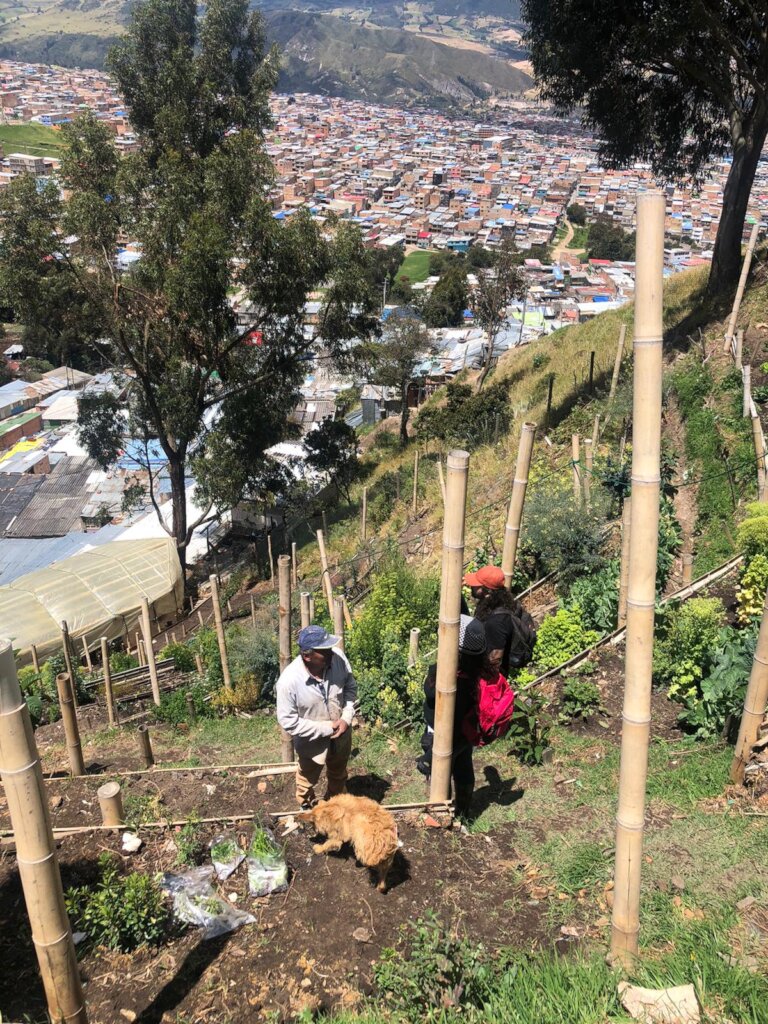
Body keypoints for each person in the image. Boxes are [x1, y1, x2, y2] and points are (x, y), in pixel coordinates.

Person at [276, 624, 357, 809]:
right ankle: (306, 805)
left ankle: (336, 803)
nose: (331, 653)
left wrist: (346, 717)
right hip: (311, 742)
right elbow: (288, 721)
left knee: (339, 773)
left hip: (342, 734)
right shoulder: (289, 682)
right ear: (307, 656)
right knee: (306, 779)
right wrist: (326, 728)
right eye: (324, 651)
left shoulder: (338, 659)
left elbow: (350, 687)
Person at [416, 614, 486, 816]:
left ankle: (441, 812)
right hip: (466, 732)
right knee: (464, 768)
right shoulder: (475, 670)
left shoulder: (445, 673)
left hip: (441, 734)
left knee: (441, 774)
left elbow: (429, 693)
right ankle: (464, 810)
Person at [461, 565, 536, 675]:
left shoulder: (496, 621)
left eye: (477, 585)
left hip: (490, 679)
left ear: (487, 590)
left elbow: (494, 659)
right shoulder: (500, 602)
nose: (471, 586)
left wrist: (478, 679)